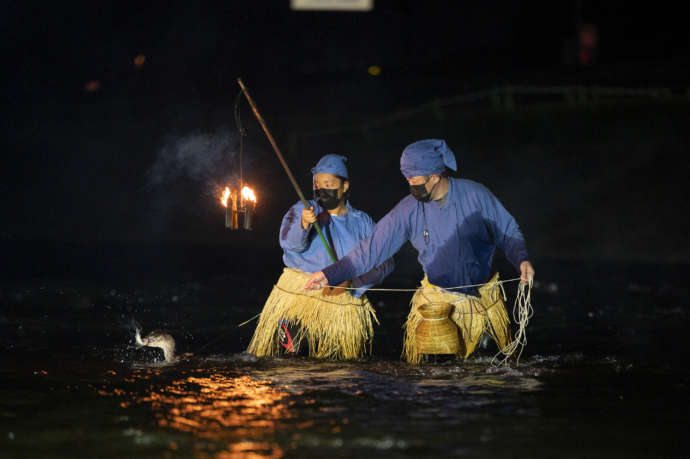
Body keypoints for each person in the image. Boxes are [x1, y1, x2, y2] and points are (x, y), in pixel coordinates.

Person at [305, 139, 535, 363]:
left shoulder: (476, 195)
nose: (410, 184)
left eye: (414, 179)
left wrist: (521, 259)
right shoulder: (408, 209)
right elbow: (372, 248)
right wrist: (330, 274)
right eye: (406, 178)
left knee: (488, 370)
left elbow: (507, 230)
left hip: (482, 301)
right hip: (436, 302)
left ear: (435, 176)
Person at [247, 154, 394, 360]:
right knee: (290, 364)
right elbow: (290, 243)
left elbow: (386, 261)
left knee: (338, 368)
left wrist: (354, 282)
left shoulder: (362, 222)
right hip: (299, 299)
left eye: (328, 183)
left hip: (342, 304)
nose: (321, 189)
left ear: (344, 186)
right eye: (317, 184)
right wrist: (304, 224)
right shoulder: (305, 209)